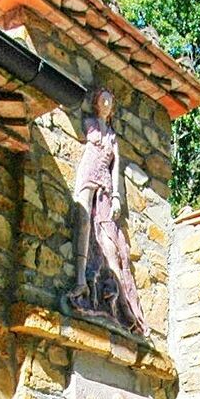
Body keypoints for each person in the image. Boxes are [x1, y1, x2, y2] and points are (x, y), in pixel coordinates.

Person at [67, 86, 148, 334]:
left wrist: (116, 197)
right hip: (88, 174)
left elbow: (115, 169)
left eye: (109, 100)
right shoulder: (90, 124)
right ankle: (80, 280)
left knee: (109, 242)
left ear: (112, 108)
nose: (106, 103)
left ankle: (122, 304)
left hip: (105, 182)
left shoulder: (113, 137)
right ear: (95, 103)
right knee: (83, 219)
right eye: (103, 99)